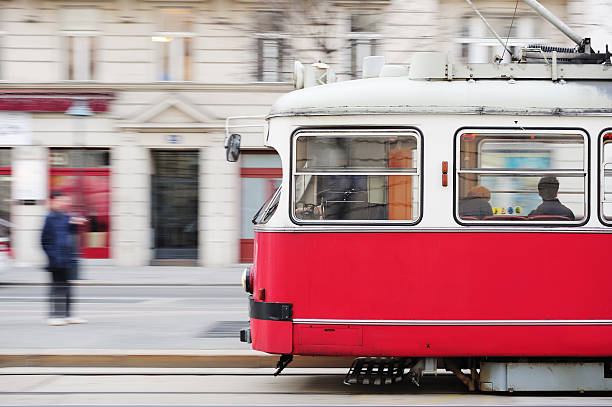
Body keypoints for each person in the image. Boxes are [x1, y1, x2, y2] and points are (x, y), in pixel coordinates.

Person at [41, 191, 87, 326]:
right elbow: (44, 241)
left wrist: (75, 224)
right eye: (61, 200)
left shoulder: (65, 217)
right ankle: (53, 316)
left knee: (67, 288)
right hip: (55, 260)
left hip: (66, 259)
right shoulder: (49, 218)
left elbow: (70, 233)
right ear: (53, 201)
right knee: (56, 288)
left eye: (65, 201)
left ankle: (68, 315)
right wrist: (52, 256)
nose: (64, 203)